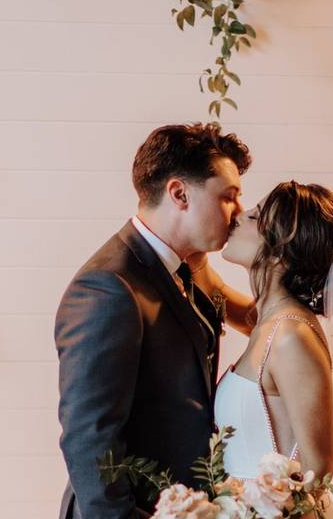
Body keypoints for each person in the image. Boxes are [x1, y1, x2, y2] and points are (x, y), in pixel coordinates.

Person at [54, 122, 251, 518]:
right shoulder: (108, 288)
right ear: (179, 193)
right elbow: (89, 439)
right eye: (228, 197)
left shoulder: (186, 266)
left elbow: (252, 319)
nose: (239, 213)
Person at [201, 181, 333, 517]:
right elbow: (209, 284)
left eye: (254, 216)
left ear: (279, 251)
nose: (237, 216)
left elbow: (317, 469)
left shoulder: (291, 336)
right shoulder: (266, 322)